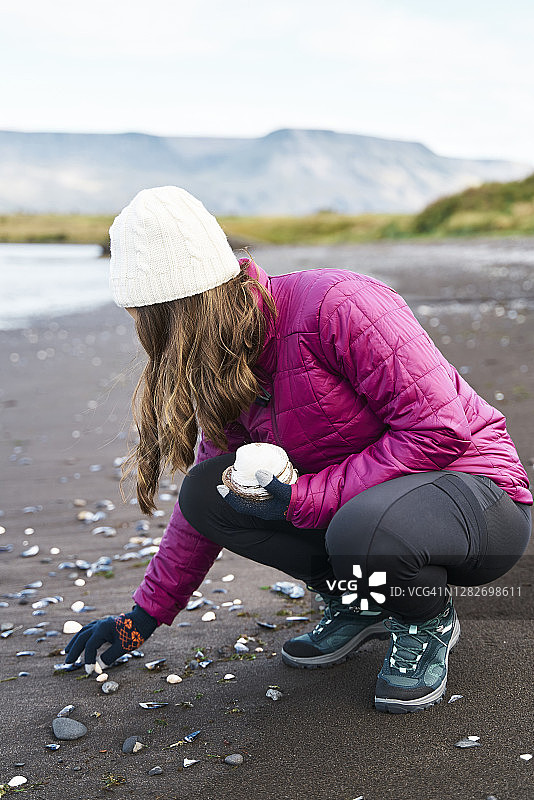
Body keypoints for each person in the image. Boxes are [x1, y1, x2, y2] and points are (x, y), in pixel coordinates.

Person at [64, 186, 532, 714]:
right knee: (207, 491)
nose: (163, 340)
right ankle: (363, 603)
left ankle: (426, 621)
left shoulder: (337, 304)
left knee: (361, 528)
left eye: (163, 319)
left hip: (479, 500)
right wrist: (142, 617)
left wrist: (301, 499)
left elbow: (439, 429)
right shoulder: (225, 359)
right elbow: (204, 499)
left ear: (197, 299)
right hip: (361, 515)